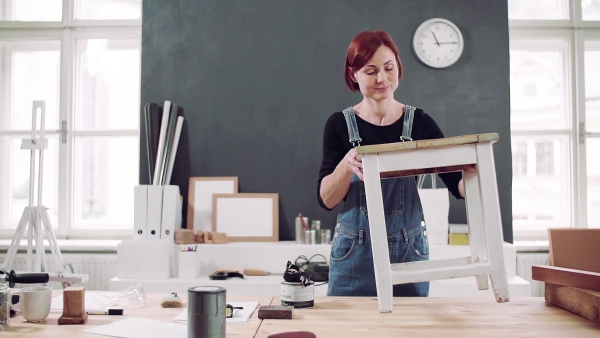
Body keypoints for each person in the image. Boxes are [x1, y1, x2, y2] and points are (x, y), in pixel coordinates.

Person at [317, 30, 472, 297]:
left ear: (398, 67)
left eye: (389, 68)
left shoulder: (420, 123)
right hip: (353, 252)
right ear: (353, 74)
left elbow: (457, 186)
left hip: (408, 252)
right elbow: (327, 199)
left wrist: (475, 172)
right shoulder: (339, 125)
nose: (382, 78)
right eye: (370, 71)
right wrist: (346, 164)